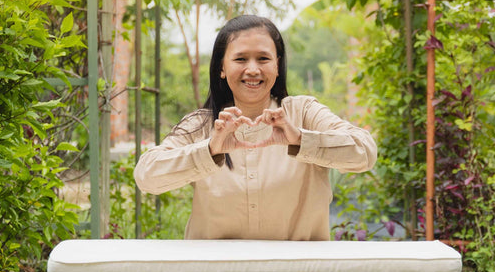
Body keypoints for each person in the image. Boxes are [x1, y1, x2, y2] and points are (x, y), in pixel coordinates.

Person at [133, 15, 376, 240]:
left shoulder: (304, 113)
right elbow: (146, 177)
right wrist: (210, 149)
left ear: (277, 65)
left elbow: (365, 153)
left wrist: (300, 139)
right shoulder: (201, 125)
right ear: (221, 67)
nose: (252, 69)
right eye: (240, 59)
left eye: (263, 58)